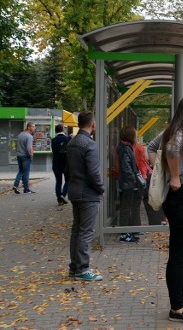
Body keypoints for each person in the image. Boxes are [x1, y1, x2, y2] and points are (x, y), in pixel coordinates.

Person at [147, 97, 183, 323]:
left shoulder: (175, 128)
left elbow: (151, 148)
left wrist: (159, 169)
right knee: (178, 254)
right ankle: (176, 309)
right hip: (182, 196)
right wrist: (172, 176)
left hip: (179, 196)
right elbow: (171, 149)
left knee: (180, 252)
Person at [67, 111, 104, 281]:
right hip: (88, 193)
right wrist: (101, 188)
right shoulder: (90, 144)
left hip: (74, 191)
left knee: (77, 230)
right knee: (86, 232)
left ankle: (74, 267)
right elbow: (94, 173)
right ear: (93, 124)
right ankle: (83, 269)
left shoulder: (73, 142)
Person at [116, 126, 143, 243]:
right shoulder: (126, 149)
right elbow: (126, 168)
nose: (136, 137)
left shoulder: (123, 147)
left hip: (126, 183)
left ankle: (126, 232)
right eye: (135, 135)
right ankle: (124, 234)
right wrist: (134, 179)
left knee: (126, 208)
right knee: (126, 209)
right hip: (128, 184)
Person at [13, 122, 35, 194]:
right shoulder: (29, 136)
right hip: (26, 156)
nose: (34, 128)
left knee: (21, 171)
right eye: (33, 126)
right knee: (26, 173)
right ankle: (26, 189)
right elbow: (29, 148)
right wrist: (31, 155)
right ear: (28, 127)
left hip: (19, 155)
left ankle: (15, 185)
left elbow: (16, 145)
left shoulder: (20, 134)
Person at [51, 123, 71, 205]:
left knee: (58, 181)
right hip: (66, 163)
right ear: (63, 129)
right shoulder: (67, 138)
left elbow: (54, 151)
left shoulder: (53, 140)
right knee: (68, 180)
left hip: (56, 163)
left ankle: (59, 199)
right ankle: (63, 194)